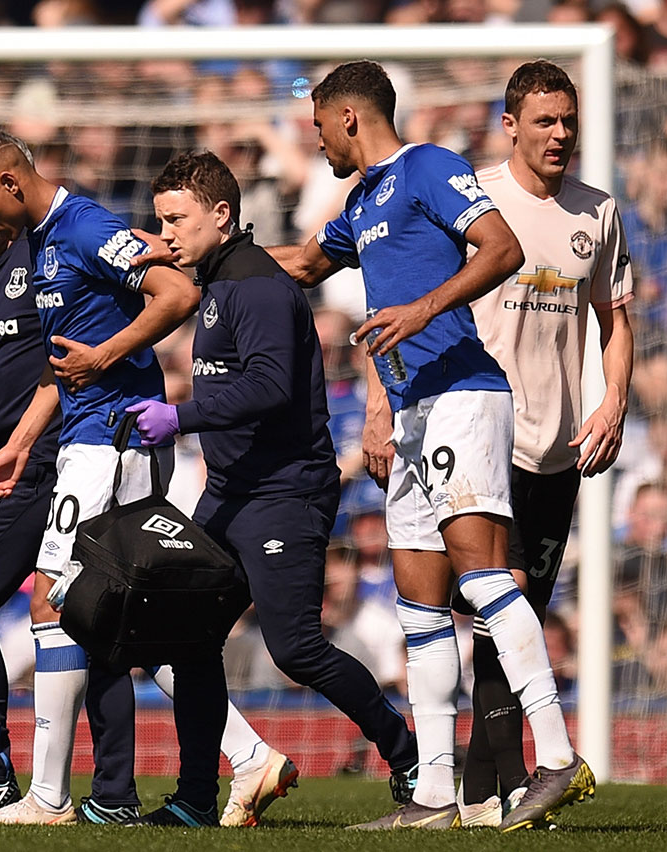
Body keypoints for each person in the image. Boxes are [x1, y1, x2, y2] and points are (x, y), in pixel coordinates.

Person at [0, 150, 283, 824]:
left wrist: (104, 358)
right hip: (78, 444)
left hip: (101, 444)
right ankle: (222, 761)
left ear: (9, 181)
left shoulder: (81, 227)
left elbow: (175, 294)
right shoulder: (34, 250)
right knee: (105, 616)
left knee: (55, 605)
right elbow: (48, 365)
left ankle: (43, 794)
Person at [270, 60, 591, 830]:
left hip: (465, 396)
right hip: (413, 410)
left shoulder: (428, 167)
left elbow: (501, 247)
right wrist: (203, 259)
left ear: (349, 117)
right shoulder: (362, 200)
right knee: (419, 605)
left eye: (319, 125)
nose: (317, 140)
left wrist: (422, 309)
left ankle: (557, 757)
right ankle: (435, 795)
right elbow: (305, 264)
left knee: (482, 579)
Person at [124, 150, 418, 826]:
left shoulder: (256, 287)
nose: (167, 234)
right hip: (230, 493)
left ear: (222, 215)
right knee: (186, 637)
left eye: (178, 220)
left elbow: (270, 387)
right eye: (161, 221)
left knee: (296, 649)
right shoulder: (223, 281)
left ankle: (408, 754)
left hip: (284, 494)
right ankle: (195, 797)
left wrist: (179, 416)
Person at [459, 60, 634, 828]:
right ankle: (508, 786)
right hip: (484, 436)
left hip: (559, 448)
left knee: (519, 617)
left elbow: (616, 320)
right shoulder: (471, 199)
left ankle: (479, 797)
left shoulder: (599, 211)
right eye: (544, 121)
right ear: (510, 126)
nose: (560, 133)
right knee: (500, 612)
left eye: (568, 120)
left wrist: (614, 401)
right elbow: (412, 304)